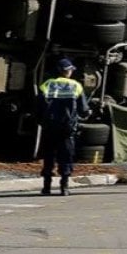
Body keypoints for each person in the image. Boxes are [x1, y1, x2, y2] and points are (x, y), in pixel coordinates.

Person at [37, 57, 90, 196]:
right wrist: (86, 114)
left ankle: (46, 187)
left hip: (50, 127)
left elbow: (39, 106)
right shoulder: (76, 86)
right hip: (67, 128)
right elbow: (83, 109)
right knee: (66, 156)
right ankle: (64, 187)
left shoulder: (47, 85)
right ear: (68, 71)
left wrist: (42, 121)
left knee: (49, 156)